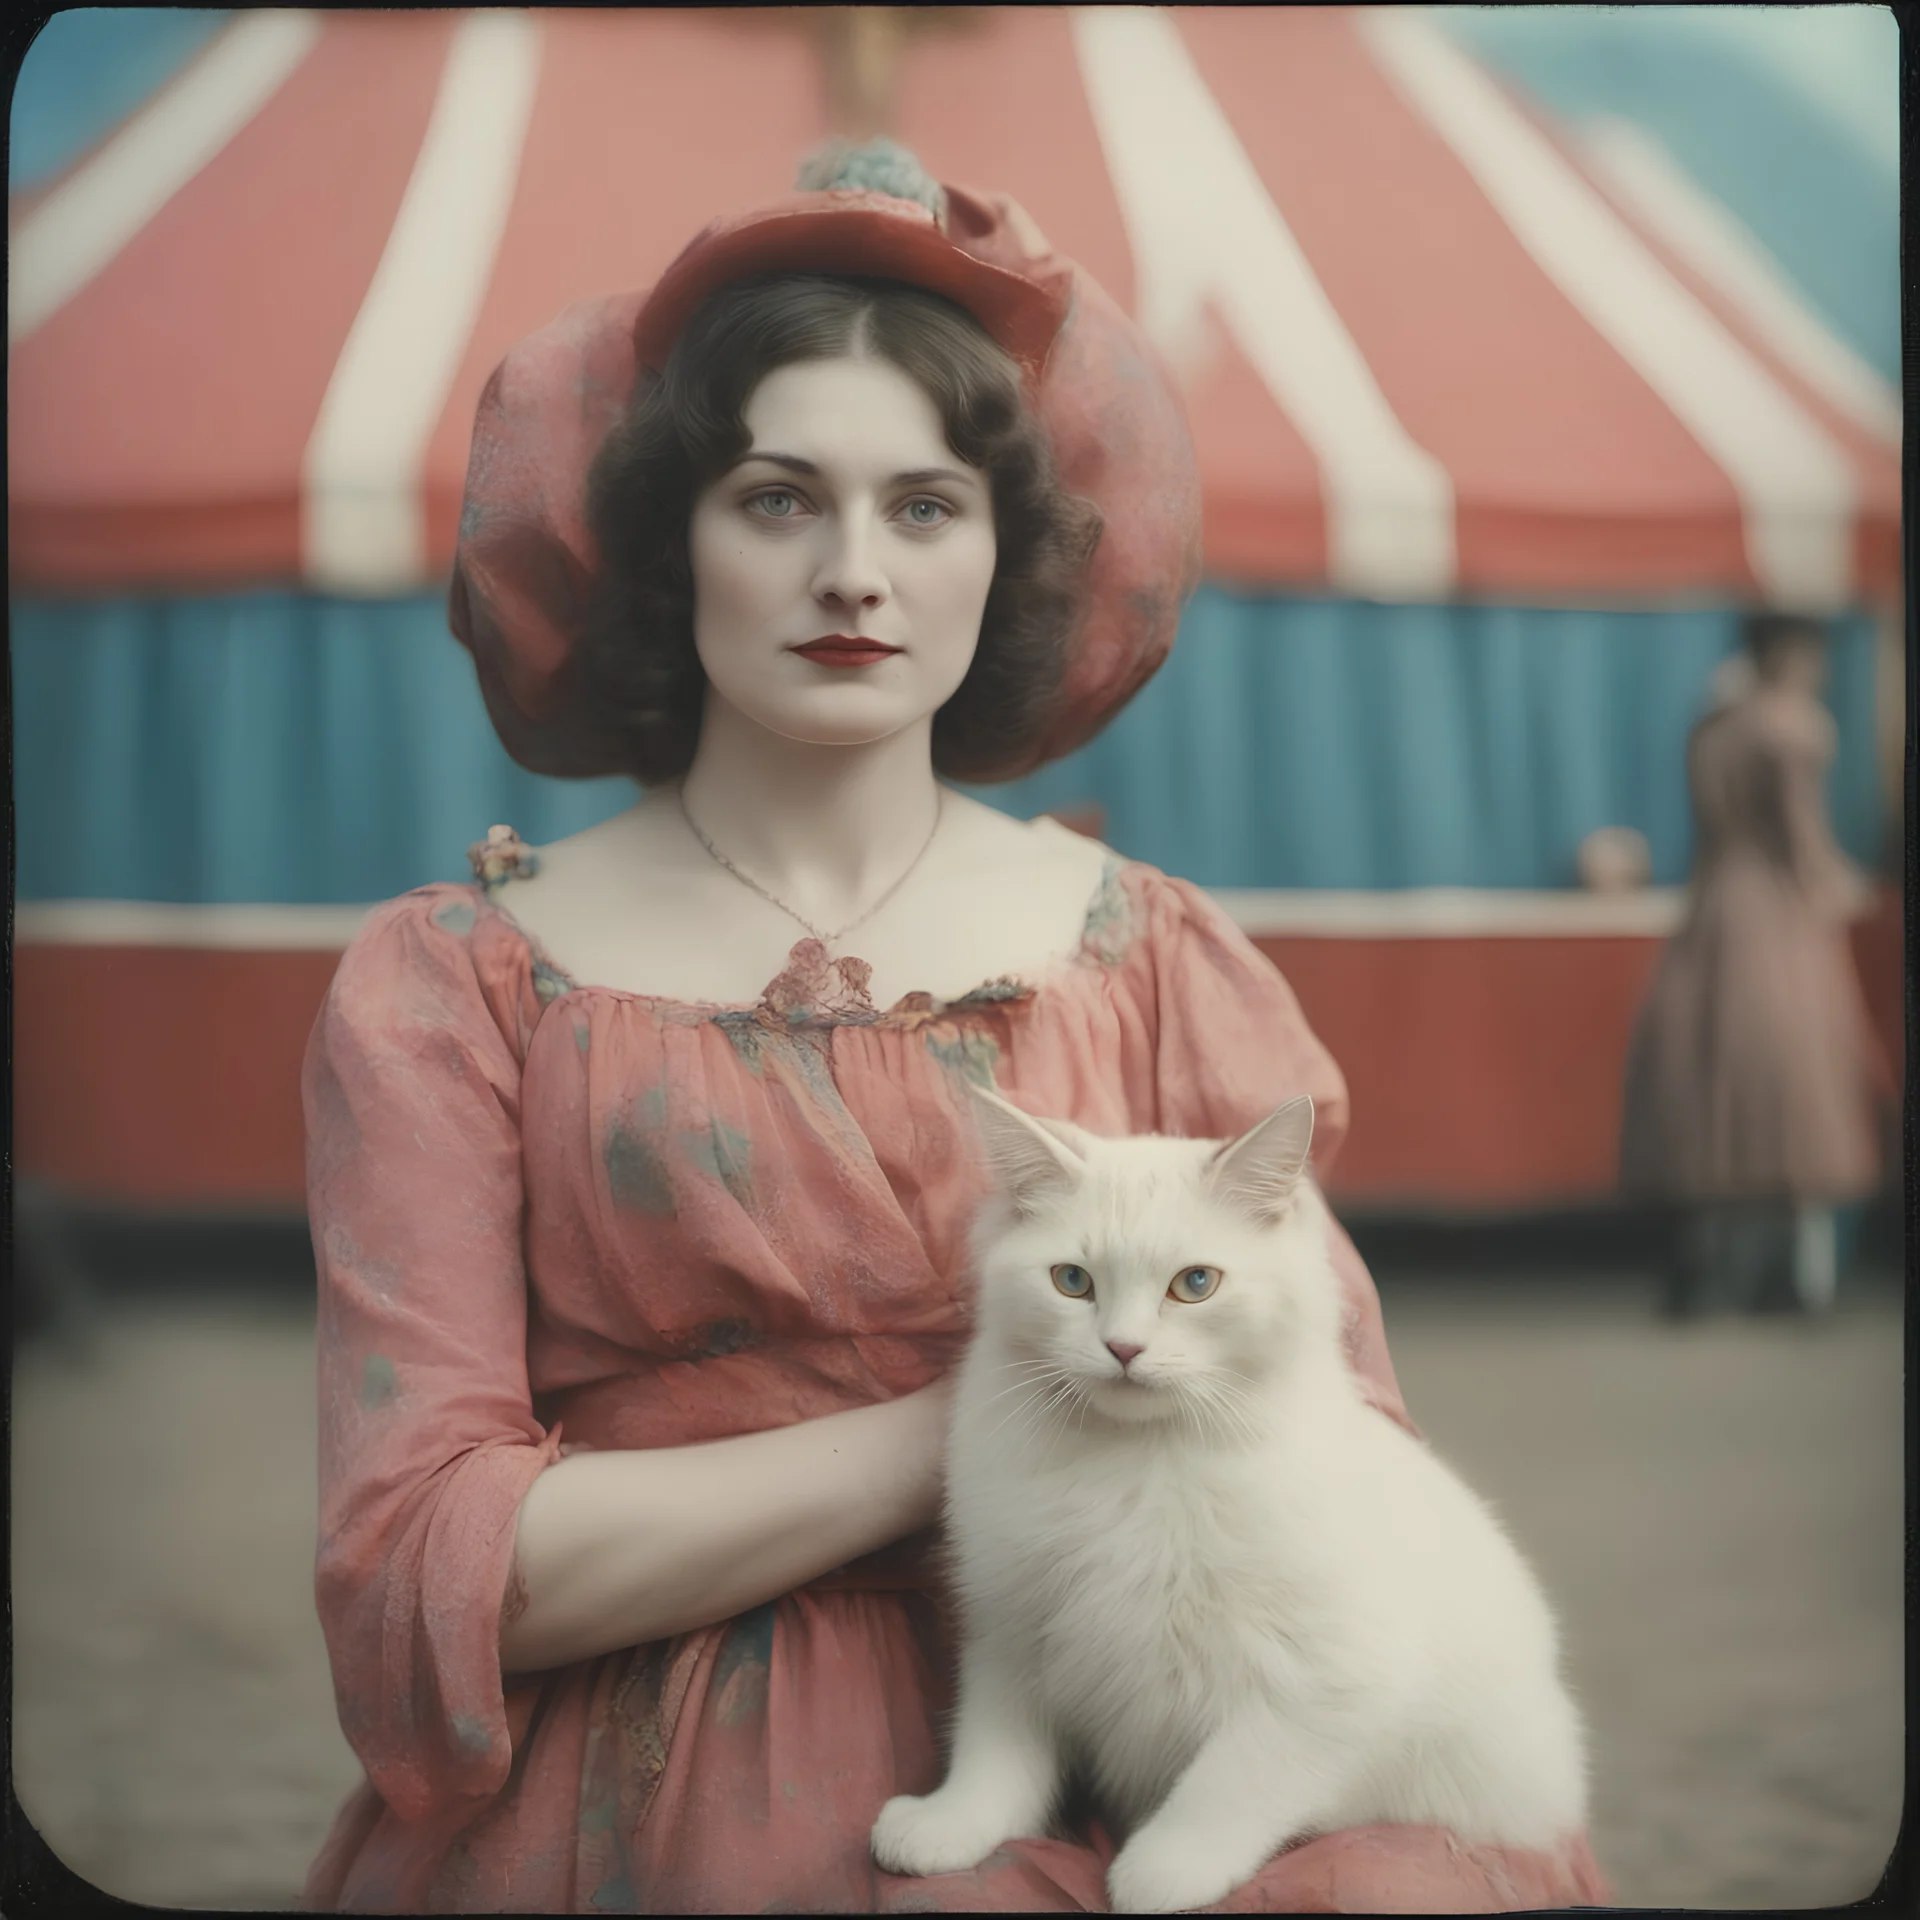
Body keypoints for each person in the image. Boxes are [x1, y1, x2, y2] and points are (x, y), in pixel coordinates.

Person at [303, 143, 1611, 1913]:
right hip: (659, 1805)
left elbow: (1347, 1498)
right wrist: (976, 1423)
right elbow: (422, 1578)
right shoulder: (460, 981)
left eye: (925, 507)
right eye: (778, 499)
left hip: (1152, 1779)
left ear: (1005, 554)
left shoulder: (1155, 959)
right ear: (670, 539)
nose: (855, 573)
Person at [1620, 613, 1886, 1320]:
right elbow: (1804, 842)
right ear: (1789, 655)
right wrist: (1840, 886)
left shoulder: (1712, 726)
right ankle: (1790, 1276)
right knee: (1791, 1080)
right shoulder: (1793, 727)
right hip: (1775, 912)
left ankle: (1702, 1265)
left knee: (1708, 1075)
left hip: (1712, 908)